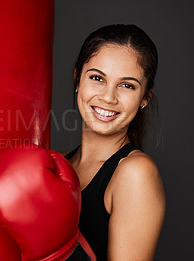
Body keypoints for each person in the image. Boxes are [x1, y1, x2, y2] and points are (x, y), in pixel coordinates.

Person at [65, 24, 166, 260]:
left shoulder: (135, 174)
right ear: (77, 78)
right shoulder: (54, 163)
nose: (108, 97)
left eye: (127, 85)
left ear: (145, 97)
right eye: (98, 78)